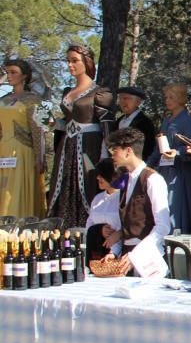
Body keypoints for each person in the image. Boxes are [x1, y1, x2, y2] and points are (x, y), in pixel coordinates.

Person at [48, 44, 114, 228]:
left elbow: (106, 126)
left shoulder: (100, 92)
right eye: (68, 61)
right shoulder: (67, 91)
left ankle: (88, 232)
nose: (70, 65)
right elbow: (67, 122)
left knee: (87, 185)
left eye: (75, 60)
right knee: (62, 187)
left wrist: (107, 156)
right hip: (67, 147)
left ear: (87, 62)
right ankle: (63, 234)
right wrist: (53, 123)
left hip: (89, 147)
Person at [104, 128, 171, 271]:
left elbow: (163, 226)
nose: (112, 155)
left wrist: (136, 254)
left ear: (128, 151)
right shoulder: (126, 181)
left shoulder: (153, 180)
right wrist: (114, 251)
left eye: (114, 150)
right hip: (127, 255)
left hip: (150, 259)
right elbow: (126, 225)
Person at [151, 84, 191, 235]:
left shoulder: (187, 120)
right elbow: (158, 148)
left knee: (177, 208)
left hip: (181, 172)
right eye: (166, 97)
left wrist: (177, 152)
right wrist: (147, 165)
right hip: (165, 170)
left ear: (180, 99)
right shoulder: (166, 120)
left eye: (171, 97)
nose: (167, 100)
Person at [0, 59, 46, 217]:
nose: (9, 76)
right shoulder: (3, 99)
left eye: (13, 72)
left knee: (15, 190)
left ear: (24, 76)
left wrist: (40, 157)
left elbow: (39, 129)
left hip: (22, 151)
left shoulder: (34, 99)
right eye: (7, 72)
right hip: (3, 149)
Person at [84, 158, 121, 262]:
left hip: (117, 255)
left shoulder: (123, 198)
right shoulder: (97, 199)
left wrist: (114, 251)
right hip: (97, 253)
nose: (98, 178)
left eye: (102, 175)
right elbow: (89, 225)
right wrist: (100, 230)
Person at [112, 86, 156, 162]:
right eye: (120, 98)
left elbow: (148, 148)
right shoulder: (119, 121)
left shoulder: (144, 122)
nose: (122, 102)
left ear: (138, 102)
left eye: (126, 98)